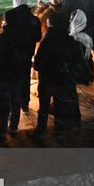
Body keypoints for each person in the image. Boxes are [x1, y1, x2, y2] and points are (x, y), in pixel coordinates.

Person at [0, 0, 40, 142]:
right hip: (23, 65)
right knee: (16, 98)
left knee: (3, 102)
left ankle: (2, 132)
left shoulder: (5, 36)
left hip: (6, 72)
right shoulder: (33, 22)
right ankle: (14, 128)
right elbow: (37, 38)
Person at [33, 11, 82, 140]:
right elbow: (78, 59)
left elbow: (38, 63)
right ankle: (59, 131)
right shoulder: (71, 41)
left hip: (47, 80)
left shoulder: (47, 41)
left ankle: (40, 131)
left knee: (44, 107)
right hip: (63, 80)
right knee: (60, 107)